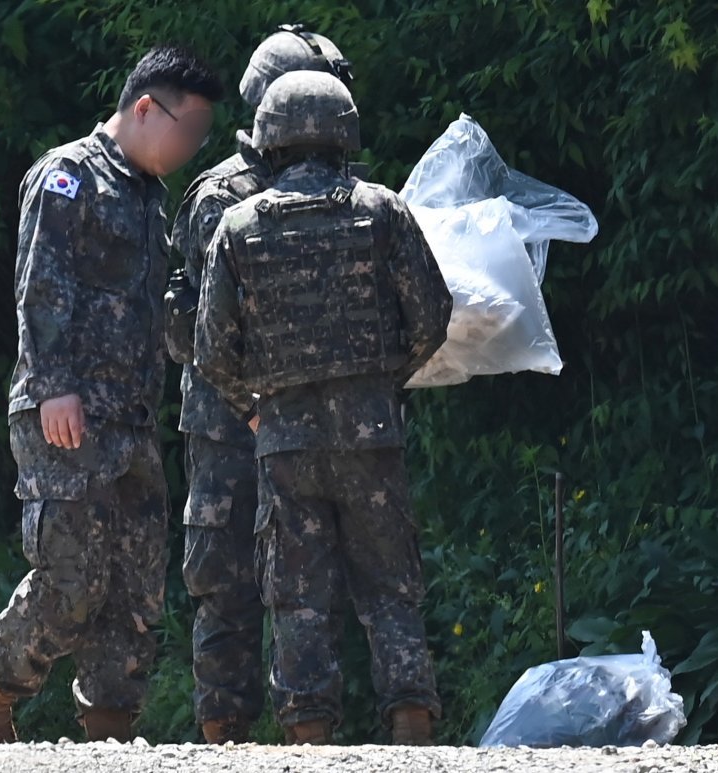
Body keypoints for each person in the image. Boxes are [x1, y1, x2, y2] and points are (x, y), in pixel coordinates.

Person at [0, 45, 223, 744]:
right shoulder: (70, 177)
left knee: (134, 586)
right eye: (188, 131)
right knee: (71, 574)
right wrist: (53, 387)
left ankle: (110, 729)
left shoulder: (147, 198)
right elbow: (41, 284)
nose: (191, 149)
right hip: (65, 412)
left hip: (128, 421)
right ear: (143, 109)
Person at [194, 70, 453, 745]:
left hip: (284, 440)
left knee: (298, 594)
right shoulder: (383, 210)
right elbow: (431, 315)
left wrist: (255, 408)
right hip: (371, 430)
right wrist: (383, 380)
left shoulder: (237, 225)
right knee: (390, 582)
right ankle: (410, 717)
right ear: (345, 132)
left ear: (269, 141)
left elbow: (211, 350)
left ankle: (307, 732)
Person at [164, 25, 354, 745]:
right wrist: (246, 399)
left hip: (306, 421)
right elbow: (187, 318)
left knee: (310, 572)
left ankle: (310, 728)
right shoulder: (222, 197)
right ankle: (225, 732)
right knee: (226, 576)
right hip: (226, 423)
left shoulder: (336, 191)